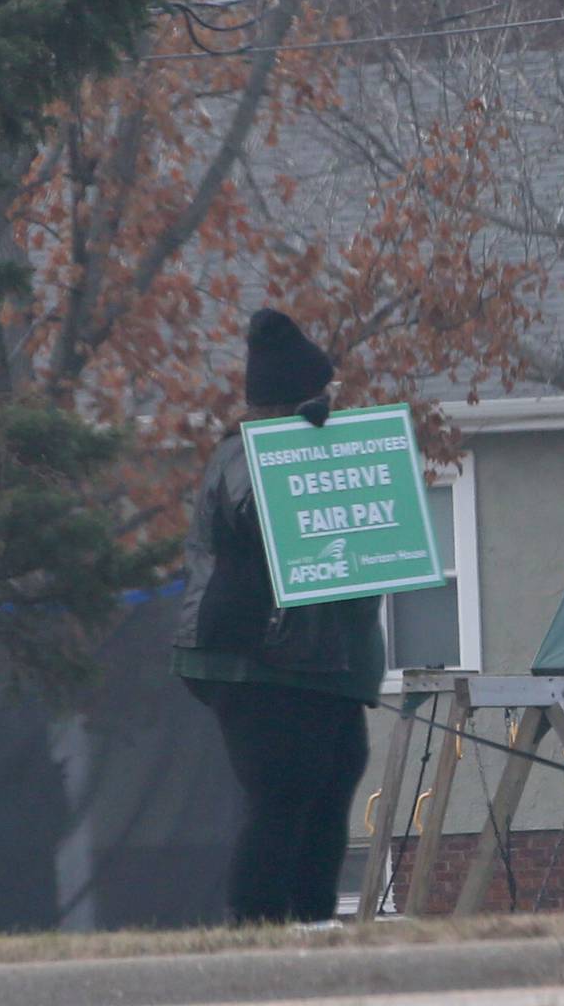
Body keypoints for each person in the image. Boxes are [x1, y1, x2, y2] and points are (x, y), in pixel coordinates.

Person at [171, 307, 385, 926]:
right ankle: (256, 926)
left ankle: (314, 918)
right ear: (300, 399)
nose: (333, 405)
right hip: (256, 659)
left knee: (334, 781)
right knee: (283, 793)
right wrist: (298, 446)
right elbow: (254, 509)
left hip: (324, 664)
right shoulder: (243, 453)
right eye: (324, 395)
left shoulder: (326, 448)